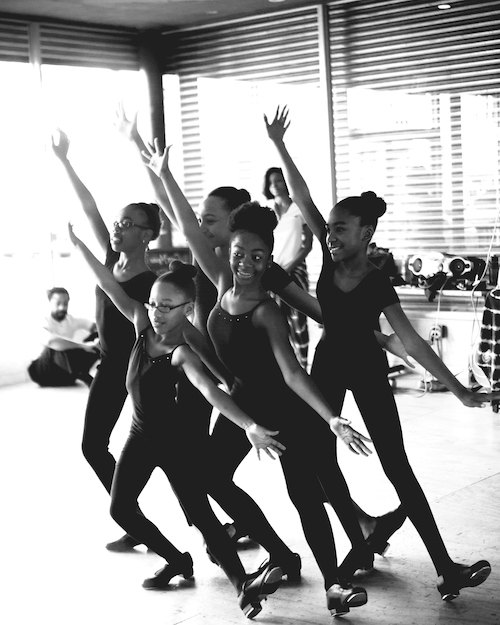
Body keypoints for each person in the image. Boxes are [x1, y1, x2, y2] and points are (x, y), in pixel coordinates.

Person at [137, 131, 408, 554]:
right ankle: (347, 535)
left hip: (261, 385)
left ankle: (350, 542)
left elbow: (325, 314)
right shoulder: (217, 266)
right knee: (270, 474)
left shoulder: (256, 273)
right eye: (202, 219)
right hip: (229, 382)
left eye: (212, 219)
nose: (202, 224)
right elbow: (184, 222)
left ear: (232, 224)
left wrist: (379, 337)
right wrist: (162, 172)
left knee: (307, 478)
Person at [265, 105, 496, 601]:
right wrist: (281, 146)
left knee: (398, 466)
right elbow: (302, 198)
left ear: (366, 233)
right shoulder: (328, 263)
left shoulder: (375, 282)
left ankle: (444, 568)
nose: (330, 235)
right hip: (327, 365)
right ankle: (355, 544)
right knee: (317, 455)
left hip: (368, 371)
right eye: (329, 228)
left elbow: (410, 341)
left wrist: (458, 391)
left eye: (341, 229)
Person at [68, 224, 291, 617]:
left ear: (187, 310)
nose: (157, 313)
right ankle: (176, 559)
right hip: (139, 436)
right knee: (120, 510)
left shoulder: (181, 354)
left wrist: (248, 425)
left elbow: (211, 392)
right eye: (154, 304)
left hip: (175, 445)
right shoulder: (140, 323)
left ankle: (244, 587)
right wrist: (80, 246)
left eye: (167, 307)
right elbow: (108, 283)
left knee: (203, 518)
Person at [52, 130, 160, 551]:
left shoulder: (151, 282)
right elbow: (89, 206)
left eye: (130, 224)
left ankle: (198, 520)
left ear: (148, 235)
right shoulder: (112, 259)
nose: (118, 228)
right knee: (93, 446)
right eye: (119, 223)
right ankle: (132, 517)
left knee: (165, 456)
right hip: (108, 366)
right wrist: (65, 160)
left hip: (137, 371)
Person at [263, 167, 312, 368]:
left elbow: (307, 244)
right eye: (271, 182)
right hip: (271, 270)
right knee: (275, 319)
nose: (275, 185)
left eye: (279, 180)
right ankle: (284, 366)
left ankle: (303, 364)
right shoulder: (266, 209)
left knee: (298, 318)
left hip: (295, 269)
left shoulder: (298, 207)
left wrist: (290, 267)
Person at [28, 287, 99, 387]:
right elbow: (53, 342)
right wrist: (84, 346)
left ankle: (81, 372)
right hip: (42, 372)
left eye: (65, 303)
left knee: (97, 343)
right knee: (55, 347)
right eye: (58, 303)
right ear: (49, 302)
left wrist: (96, 339)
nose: (62, 307)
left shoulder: (72, 320)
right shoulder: (42, 321)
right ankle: (82, 374)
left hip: (64, 374)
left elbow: (95, 327)